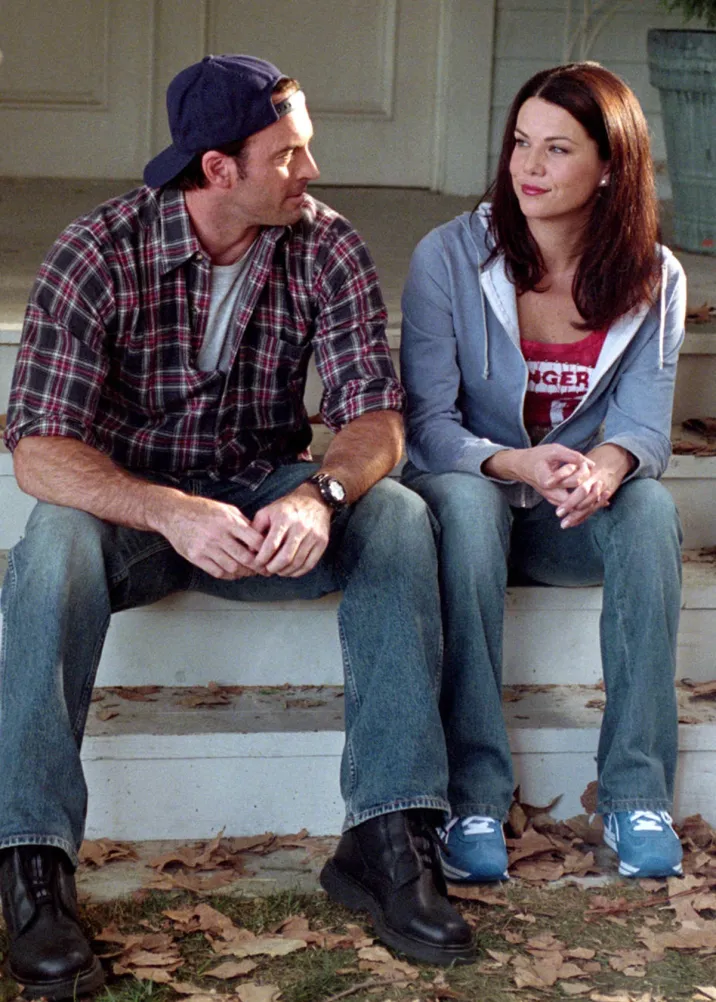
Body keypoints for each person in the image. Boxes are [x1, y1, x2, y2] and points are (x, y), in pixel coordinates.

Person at [0, 55, 475, 997]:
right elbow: (38, 450)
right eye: (289, 154)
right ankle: (33, 868)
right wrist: (168, 510)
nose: (312, 171)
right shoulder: (97, 250)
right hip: (139, 512)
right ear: (218, 168)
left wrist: (319, 495)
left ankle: (388, 838)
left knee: (398, 516)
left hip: (265, 501)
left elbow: (377, 418)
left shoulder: (324, 244)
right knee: (50, 544)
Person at [400, 62, 686, 885]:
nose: (529, 166)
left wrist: (604, 470)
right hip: (472, 509)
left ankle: (636, 793)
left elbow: (642, 427)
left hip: (570, 521)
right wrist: (512, 461)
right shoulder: (450, 256)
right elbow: (427, 425)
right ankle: (473, 796)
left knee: (650, 511)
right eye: (521, 142)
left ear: (610, 167)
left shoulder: (654, 275)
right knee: (466, 501)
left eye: (557, 149)